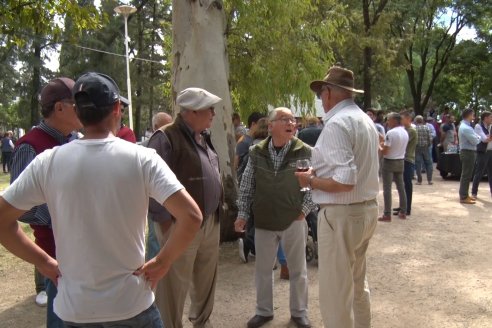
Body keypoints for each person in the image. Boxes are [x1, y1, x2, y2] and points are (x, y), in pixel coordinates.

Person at [0, 72, 203, 327]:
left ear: (78, 112)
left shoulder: (48, 162)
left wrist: (44, 262)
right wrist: (162, 262)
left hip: (76, 309)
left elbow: (2, 219)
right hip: (131, 305)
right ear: (117, 108)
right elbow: (191, 216)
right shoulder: (142, 159)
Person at [296, 65, 379, 328]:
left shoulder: (337, 124)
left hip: (342, 214)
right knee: (356, 284)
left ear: (330, 92)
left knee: (335, 293)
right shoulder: (365, 120)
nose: (321, 99)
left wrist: (309, 180)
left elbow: (345, 179)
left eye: (321, 93)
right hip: (364, 211)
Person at [9, 77, 83, 327]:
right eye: (78, 103)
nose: (84, 109)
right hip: (56, 252)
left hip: (84, 249)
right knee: (61, 316)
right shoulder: (29, 146)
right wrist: (61, 214)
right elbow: (20, 208)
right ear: (59, 107)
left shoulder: (76, 140)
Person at [147, 87, 223, 328]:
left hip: (210, 221)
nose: (213, 112)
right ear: (191, 111)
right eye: (208, 108)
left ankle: (202, 322)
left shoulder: (203, 135)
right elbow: (151, 185)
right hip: (180, 225)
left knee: (205, 279)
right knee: (172, 285)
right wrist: (168, 226)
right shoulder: (165, 137)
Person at [235, 107, 315, 328]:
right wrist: (242, 214)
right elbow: (247, 185)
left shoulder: (305, 151)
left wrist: (304, 211)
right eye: (284, 119)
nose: (291, 123)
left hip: (294, 219)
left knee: (298, 270)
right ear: (270, 126)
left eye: (292, 119)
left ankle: (299, 312)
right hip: (264, 220)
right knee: (263, 270)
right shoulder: (256, 151)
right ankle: (264, 311)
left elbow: (314, 184)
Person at [143, 112, 174, 261]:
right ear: (156, 127)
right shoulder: (145, 149)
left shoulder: (172, 144)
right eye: (167, 125)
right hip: (154, 202)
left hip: (170, 199)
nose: (170, 129)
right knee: (155, 238)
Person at [379, 112, 409, 222]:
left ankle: (387, 214)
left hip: (389, 162)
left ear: (394, 121)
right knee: (401, 187)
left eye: (389, 120)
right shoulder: (405, 132)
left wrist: (379, 145)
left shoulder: (391, 133)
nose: (387, 122)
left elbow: (385, 152)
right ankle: (403, 211)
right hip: (400, 160)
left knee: (387, 189)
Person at [458, 109, 481, 204]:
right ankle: (463, 196)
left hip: (468, 152)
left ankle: (465, 195)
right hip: (468, 152)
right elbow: (476, 140)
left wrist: (477, 137)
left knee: (466, 174)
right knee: (466, 175)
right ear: (469, 115)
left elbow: (476, 138)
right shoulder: (466, 128)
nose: (474, 116)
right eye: (473, 115)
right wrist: (478, 137)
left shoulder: (465, 126)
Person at [235, 112, 266, 182]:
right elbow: (235, 163)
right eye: (260, 125)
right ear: (253, 124)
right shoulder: (243, 141)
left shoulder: (258, 140)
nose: (263, 128)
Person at [398, 110, 416, 216]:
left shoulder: (411, 131)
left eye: (402, 118)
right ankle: (403, 206)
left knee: (407, 184)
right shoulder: (404, 129)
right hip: (404, 158)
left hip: (408, 159)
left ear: (408, 119)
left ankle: (407, 207)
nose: (400, 121)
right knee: (402, 184)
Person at [471, 111, 492, 198]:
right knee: (479, 173)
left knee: (491, 173)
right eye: (490, 117)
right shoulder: (478, 126)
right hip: (483, 152)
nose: (491, 119)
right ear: (485, 118)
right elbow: (484, 139)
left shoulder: (490, 126)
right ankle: (474, 192)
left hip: (491, 151)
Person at [415, 115, 434, 185]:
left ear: (416, 121)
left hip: (417, 148)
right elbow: (430, 138)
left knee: (418, 164)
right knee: (429, 163)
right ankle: (430, 180)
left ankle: (419, 181)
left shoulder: (415, 128)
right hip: (426, 147)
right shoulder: (427, 128)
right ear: (422, 120)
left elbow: (415, 139)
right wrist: (429, 144)